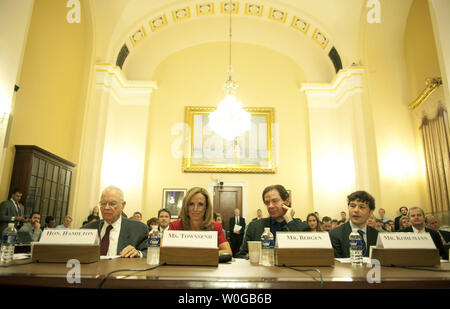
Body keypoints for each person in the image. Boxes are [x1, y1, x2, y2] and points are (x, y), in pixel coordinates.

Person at [237, 184, 309, 259]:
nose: (270, 206)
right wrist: (252, 256)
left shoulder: (303, 228)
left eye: (275, 201)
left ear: (287, 201)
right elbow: (241, 255)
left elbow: (305, 256)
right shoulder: (254, 226)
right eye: (267, 203)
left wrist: (289, 221)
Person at [82, 185, 149, 258]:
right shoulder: (88, 229)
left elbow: (149, 253)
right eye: (103, 203)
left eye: (112, 204)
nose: (106, 207)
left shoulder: (138, 229)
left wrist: (138, 253)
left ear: (123, 205)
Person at [168, 187, 232, 255]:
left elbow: (228, 252)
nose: (195, 209)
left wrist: (196, 254)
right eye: (191, 204)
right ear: (186, 206)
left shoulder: (215, 227)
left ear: (206, 208)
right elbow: (163, 249)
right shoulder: (175, 226)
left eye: (200, 204)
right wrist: (204, 254)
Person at [329, 190, 379, 258]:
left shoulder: (377, 235)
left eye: (361, 207)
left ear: (370, 212)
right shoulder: (335, 235)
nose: (356, 210)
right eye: (352, 206)